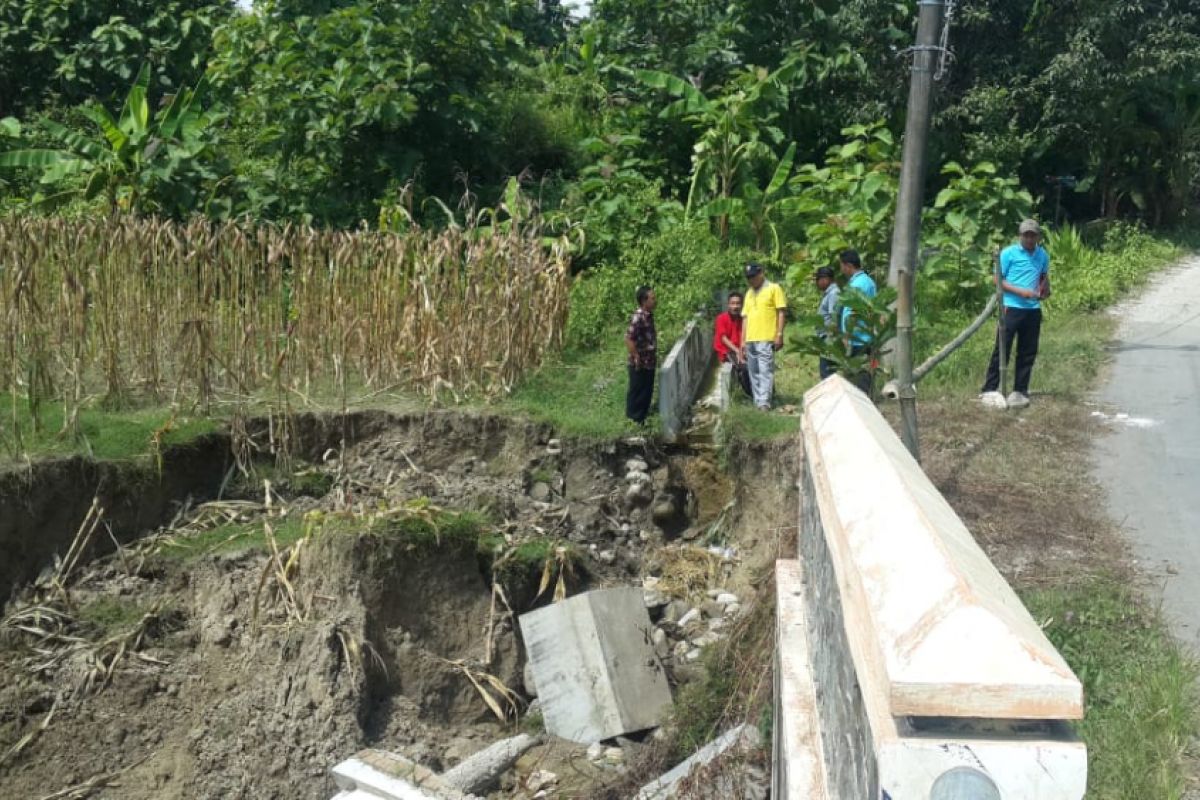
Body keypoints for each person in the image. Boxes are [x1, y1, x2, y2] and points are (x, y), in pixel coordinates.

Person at [980, 219, 1050, 409]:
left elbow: (1043, 277)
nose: (1029, 239)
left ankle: (1020, 390)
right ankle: (989, 388)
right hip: (1012, 307)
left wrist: (1045, 290)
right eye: (1026, 235)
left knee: (1028, 351)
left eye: (1032, 235)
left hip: (1033, 309)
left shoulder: (1042, 255)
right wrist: (1021, 292)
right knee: (1002, 348)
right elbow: (997, 279)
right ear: (1020, 235)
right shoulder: (1008, 253)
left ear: (1037, 237)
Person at [740, 262, 787, 410]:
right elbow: (745, 317)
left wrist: (779, 334)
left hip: (766, 337)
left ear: (761, 273)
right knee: (753, 371)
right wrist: (742, 341)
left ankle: (765, 402)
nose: (751, 280)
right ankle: (757, 400)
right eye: (749, 278)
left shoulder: (774, 288)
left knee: (765, 370)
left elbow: (781, 312)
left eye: (753, 276)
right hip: (750, 339)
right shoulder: (749, 293)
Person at [838, 249, 877, 396]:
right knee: (863, 372)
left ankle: (862, 404)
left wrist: (847, 335)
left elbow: (853, 311)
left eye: (841, 265)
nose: (841, 269)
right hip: (865, 336)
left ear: (848, 265)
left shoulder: (858, 284)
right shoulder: (867, 281)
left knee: (859, 375)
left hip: (858, 338)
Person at [625, 285, 657, 425]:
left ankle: (642, 419)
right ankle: (633, 420)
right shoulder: (638, 317)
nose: (655, 301)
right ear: (644, 301)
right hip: (640, 363)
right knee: (637, 392)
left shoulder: (648, 316)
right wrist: (636, 357)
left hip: (649, 361)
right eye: (652, 298)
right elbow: (628, 338)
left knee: (646, 392)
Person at [713, 292, 751, 396]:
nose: (735, 306)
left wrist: (745, 350)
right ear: (728, 305)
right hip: (726, 351)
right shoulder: (721, 318)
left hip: (740, 348)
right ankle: (750, 395)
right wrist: (738, 351)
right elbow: (723, 338)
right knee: (743, 367)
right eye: (732, 303)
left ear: (742, 305)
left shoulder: (744, 319)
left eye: (738, 303)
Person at [814, 266, 840, 380]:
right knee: (826, 373)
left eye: (818, 280)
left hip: (829, 339)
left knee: (827, 374)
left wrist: (831, 341)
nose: (817, 283)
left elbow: (834, 318)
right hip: (826, 338)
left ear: (825, 279)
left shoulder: (834, 293)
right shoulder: (830, 293)